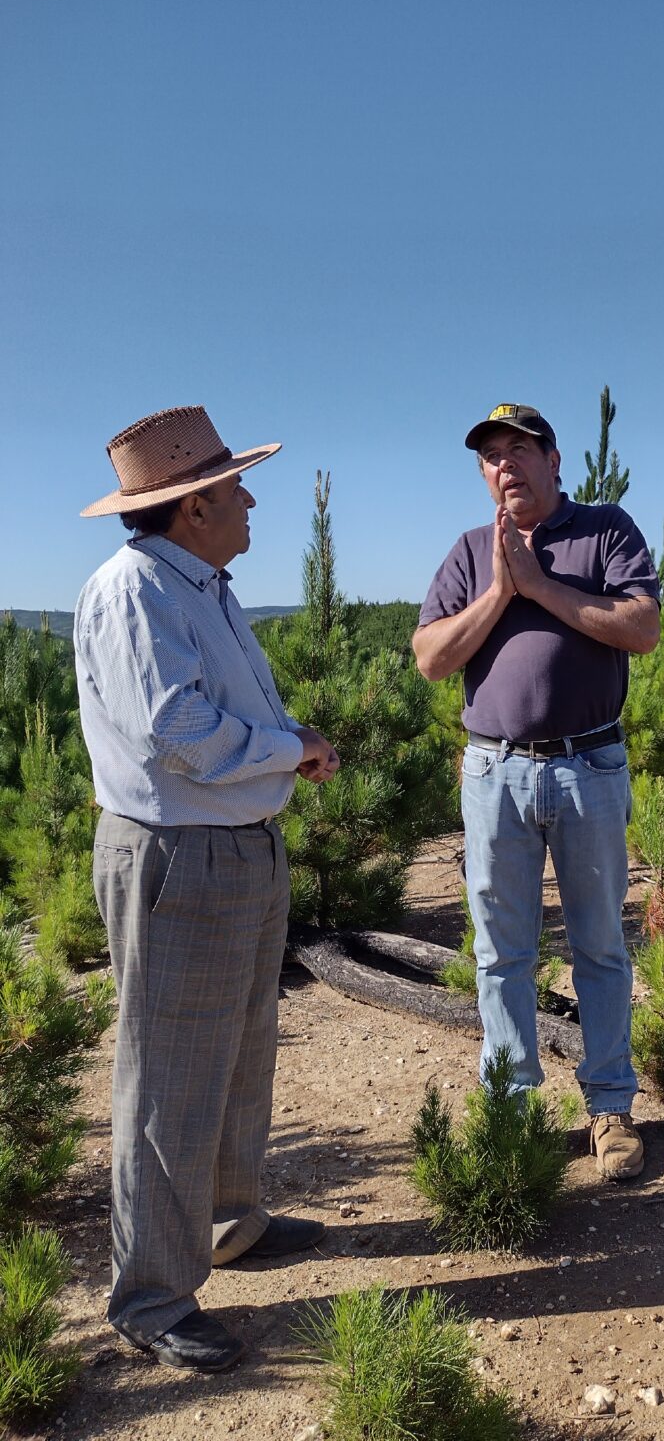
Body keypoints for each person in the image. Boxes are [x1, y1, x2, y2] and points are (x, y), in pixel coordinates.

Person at [75, 405, 341, 1373]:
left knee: (238, 1055)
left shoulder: (196, 583)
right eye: (233, 486)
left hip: (228, 847)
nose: (250, 497)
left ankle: (229, 1223)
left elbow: (216, 715)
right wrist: (289, 749)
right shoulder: (137, 588)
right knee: (173, 1078)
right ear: (192, 508)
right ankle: (152, 1297)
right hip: (179, 854)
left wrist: (287, 746)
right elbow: (177, 731)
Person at [414, 403, 660, 1179]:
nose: (504, 466)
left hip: (588, 766)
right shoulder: (467, 552)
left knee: (600, 947)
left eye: (520, 450)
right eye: (491, 456)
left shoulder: (606, 530)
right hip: (494, 771)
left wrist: (541, 585)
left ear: (556, 461)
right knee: (502, 954)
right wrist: (497, 592)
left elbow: (641, 627)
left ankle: (611, 1110)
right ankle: (513, 1113)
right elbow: (430, 657)